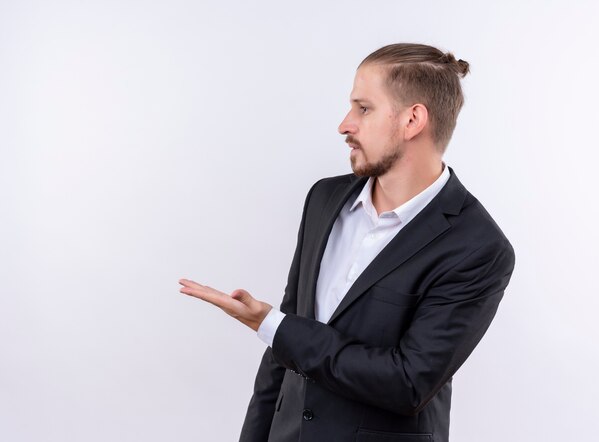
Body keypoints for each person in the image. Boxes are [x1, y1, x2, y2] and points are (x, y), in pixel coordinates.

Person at [179, 42, 515, 442]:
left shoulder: (477, 247)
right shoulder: (324, 199)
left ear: (412, 120)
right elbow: (284, 346)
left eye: (364, 108)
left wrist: (273, 326)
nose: (344, 124)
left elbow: (407, 383)